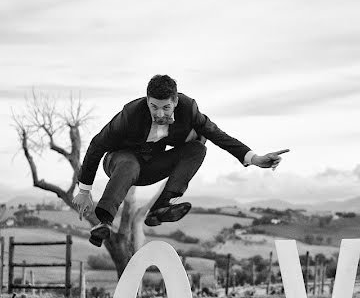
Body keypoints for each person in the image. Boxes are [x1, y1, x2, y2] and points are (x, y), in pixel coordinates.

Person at [72, 75, 288, 247]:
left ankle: (161, 208)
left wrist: (255, 158)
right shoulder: (131, 113)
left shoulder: (189, 109)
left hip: (151, 166)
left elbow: (217, 134)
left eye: (166, 107)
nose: (159, 113)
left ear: (175, 101)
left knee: (197, 149)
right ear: (147, 101)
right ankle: (104, 223)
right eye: (154, 106)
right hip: (119, 162)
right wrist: (84, 190)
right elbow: (96, 145)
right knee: (129, 163)